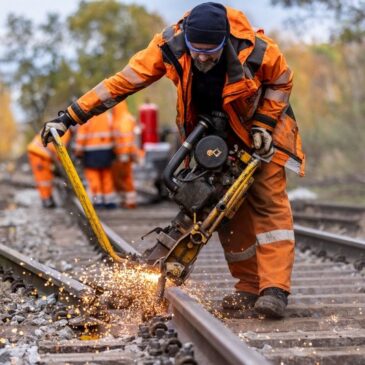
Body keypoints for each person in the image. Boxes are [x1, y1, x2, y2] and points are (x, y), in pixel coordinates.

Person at [41, 2, 305, 318]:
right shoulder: (169, 46)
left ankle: (274, 291)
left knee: (268, 205)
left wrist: (263, 122)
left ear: (225, 40)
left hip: (263, 135)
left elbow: (281, 81)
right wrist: (69, 117)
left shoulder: (259, 49)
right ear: (187, 41)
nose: (203, 57)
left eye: (212, 51)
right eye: (197, 51)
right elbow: (123, 82)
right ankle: (248, 289)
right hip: (212, 138)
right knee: (225, 214)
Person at [73, 112, 118, 209]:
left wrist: (78, 151)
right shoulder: (108, 116)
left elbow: (81, 136)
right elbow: (114, 133)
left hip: (91, 153)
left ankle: (98, 202)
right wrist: (115, 149)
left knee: (94, 177)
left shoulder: (87, 117)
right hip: (107, 151)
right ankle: (109, 202)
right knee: (107, 176)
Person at [27, 130, 71, 208]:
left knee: (46, 178)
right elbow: (60, 150)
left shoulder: (61, 126)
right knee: (43, 179)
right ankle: (46, 200)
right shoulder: (66, 132)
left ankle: (47, 199)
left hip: (40, 153)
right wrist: (61, 164)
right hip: (38, 154)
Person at [111, 101, 139, 209]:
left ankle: (130, 201)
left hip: (124, 155)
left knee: (126, 177)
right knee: (121, 177)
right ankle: (126, 200)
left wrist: (124, 154)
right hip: (122, 154)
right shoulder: (121, 119)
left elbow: (126, 139)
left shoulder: (123, 120)